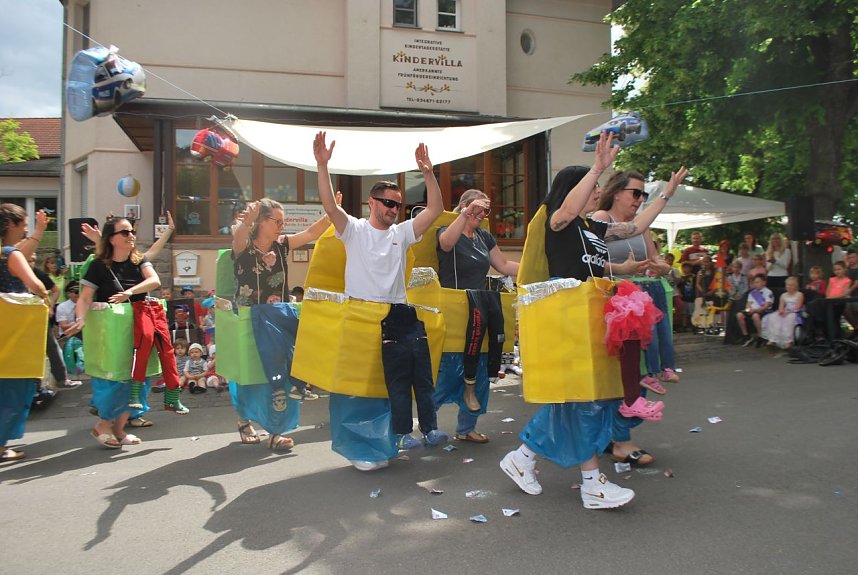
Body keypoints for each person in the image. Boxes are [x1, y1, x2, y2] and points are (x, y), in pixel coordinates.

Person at [500, 132, 684, 508]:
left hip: (589, 314)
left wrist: (667, 192)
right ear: (574, 189)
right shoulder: (559, 221)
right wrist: (597, 167)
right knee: (584, 397)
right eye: (593, 186)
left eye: (598, 185)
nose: (597, 192)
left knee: (579, 397)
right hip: (566, 315)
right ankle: (591, 483)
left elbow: (636, 227)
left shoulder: (592, 228)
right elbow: (568, 210)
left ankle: (524, 458)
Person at [314, 130, 448, 469]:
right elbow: (330, 207)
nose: (393, 209)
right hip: (361, 317)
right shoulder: (354, 230)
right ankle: (361, 449)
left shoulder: (401, 233)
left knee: (395, 385)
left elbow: (435, 209)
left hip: (396, 319)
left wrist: (429, 173)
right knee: (360, 388)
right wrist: (322, 166)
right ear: (372, 203)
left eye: (398, 205)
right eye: (388, 203)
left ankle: (389, 441)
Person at [228, 196, 332, 450]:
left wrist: (331, 211)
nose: (282, 226)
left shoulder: (282, 245)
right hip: (249, 320)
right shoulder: (244, 247)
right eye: (277, 221)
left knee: (280, 376)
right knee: (251, 377)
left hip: (279, 318)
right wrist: (247, 221)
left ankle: (276, 431)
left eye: (283, 222)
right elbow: (238, 236)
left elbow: (310, 233)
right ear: (261, 222)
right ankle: (244, 419)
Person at [70, 217, 182, 448]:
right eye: (124, 232)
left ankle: (119, 430)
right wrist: (80, 319)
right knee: (115, 379)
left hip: (140, 327)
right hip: (111, 334)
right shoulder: (99, 265)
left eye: (132, 231)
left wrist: (129, 292)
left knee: (137, 379)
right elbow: (85, 297)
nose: (131, 235)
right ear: (111, 238)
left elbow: (154, 281)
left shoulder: (138, 261)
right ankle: (103, 424)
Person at [434, 188, 519, 443]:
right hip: (454, 311)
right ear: (463, 207)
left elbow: (503, 266)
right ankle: (428, 424)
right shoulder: (447, 231)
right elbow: (446, 244)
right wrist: (464, 214)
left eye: (485, 210)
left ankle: (466, 428)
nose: (481, 214)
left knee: (481, 370)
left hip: (480, 310)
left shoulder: (484, 237)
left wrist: (538, 267)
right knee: (449, 372)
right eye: (476, 208)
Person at [595, 169, 686, 392]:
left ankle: (663, 367)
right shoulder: (601, 218)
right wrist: (621, 268)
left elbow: (656, 259)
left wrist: (662, 268)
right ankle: (649, 372)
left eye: (643, 195)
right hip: (615, 291)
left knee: (655, 298)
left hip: (641, 289)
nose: (640, 200)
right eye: (636, 193)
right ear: (617, 192)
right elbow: (589, 260)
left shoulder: (640, 224)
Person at [0, 203, 51, 462]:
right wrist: (44, 297)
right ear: (11, 225)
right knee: (13, 387)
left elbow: (18, 253)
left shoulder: (7, 252)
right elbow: (35, 284)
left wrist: (39, 231)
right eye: (23, 225)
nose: (25, 230)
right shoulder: (10, 253)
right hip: (13, 329)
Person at [761, 276, 804, 349]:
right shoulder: (783, 295)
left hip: (795, 311)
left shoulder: (799, 294)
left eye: (791, 285)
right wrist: (781, 311)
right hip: (785, 310)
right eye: (787, 285)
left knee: (789, 318)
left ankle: (788, 341)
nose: (789, 287)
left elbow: (798, 306)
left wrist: (789, 312)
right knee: (773, 317)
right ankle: (773, 339)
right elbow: (781, 306)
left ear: (795, 286)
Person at [737, 273, 774, 347]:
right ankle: (746, 336)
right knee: (739, 315)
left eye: (758, 282)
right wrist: (748, 310)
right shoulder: (752, 293)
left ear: (764, 282)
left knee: (755, 316)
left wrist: (755, 310)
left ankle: (761, 336)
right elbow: (748, 304)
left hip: (764, 311)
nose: (756, 284)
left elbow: (766, 306)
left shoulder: (768, 292)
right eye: (755, 282)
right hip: (752, 310)